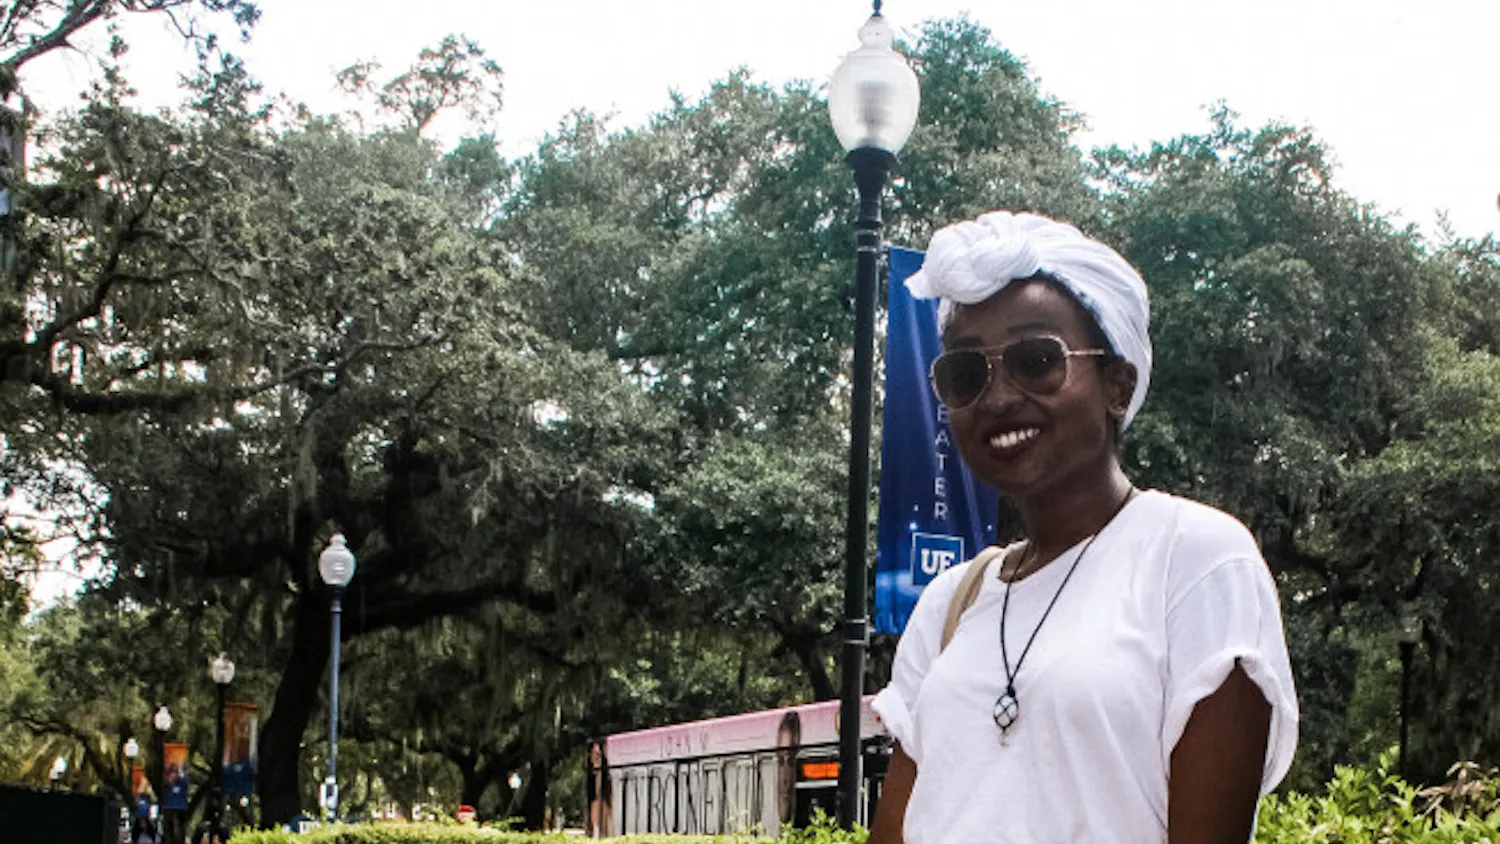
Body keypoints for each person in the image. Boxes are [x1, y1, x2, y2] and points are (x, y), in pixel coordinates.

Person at [868, 211, 1298, 843]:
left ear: (1117, 386)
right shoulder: (950, 605)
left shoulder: (1196, 560)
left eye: (1036, 360)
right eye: (965, 373)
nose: (997, 397)